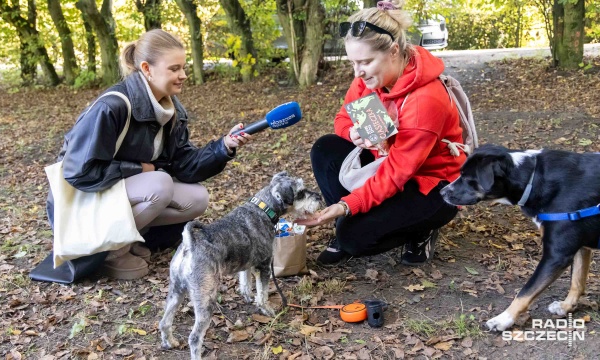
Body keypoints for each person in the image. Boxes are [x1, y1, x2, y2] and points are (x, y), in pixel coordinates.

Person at [46, 29, 252, 280]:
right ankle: (108, 252)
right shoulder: (112, 107)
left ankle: (129, 241)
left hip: (119, 192)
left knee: (197, 197)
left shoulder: (171, 109)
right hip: (84, 198)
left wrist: (224, 147)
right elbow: (78, 172)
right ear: (147, 68)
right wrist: (141, 169)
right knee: (160, 183)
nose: (183, 75)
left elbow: (184, 165)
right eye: (174, 69)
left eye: (183, 68)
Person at [298, 0, 466, 267]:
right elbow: (343, 118)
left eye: (365, 62)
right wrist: (352, 132)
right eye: (353, 62)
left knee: (353, 238)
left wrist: (345, 205)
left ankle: (419, 228)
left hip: (431, 185)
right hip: (385, 165)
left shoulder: (425, 100)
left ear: (394, 51)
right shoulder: (368, 81)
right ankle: (357, 218)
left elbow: (397, 172)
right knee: (325, 148)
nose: (358, 72)